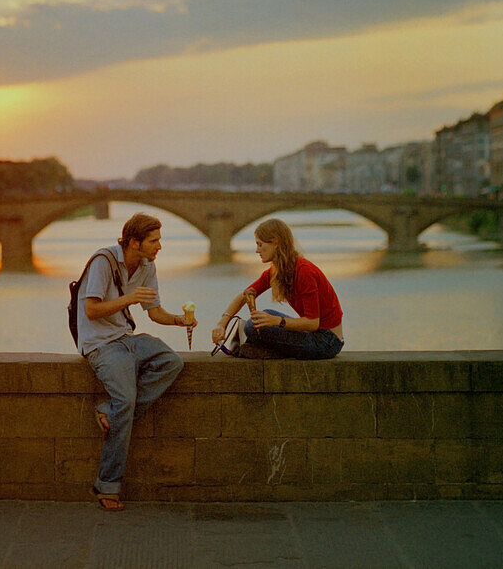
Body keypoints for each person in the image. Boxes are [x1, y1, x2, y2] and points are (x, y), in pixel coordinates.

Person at [76, 212, 193, 511]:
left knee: (171, 361)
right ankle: (108, 487)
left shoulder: (147, 265)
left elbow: (154, 312)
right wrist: (128, 300)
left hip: (127, 339)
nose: (159, 247)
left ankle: (108, 410)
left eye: (159, 240)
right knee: (126, 401)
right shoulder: (103, 261)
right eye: (154, 241)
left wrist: (181, 320)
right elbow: (91, 310)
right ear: (133, 241)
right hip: (101, 346)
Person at [211, 217, 344, 360]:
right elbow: (246, 295)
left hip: (327, 342)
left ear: (275, 243)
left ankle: (267, 352)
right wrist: (221, 324)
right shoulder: (278, 270)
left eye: (260, 245)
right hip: (315, 335)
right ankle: (266, 350)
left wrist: (276, 321)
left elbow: (312, 323)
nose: (257, 250)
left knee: (251, 327)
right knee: (261, 317)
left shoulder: (304, 271)